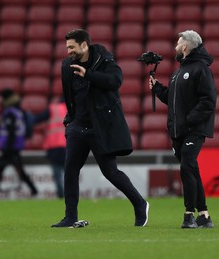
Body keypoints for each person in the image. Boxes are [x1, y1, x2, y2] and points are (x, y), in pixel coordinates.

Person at [51, 29, 149, 227]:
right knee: (70, 170)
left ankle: (140, 204)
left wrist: (88, 74)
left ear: (84, 45)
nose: (68, 51)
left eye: (72, 47)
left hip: (99, 127)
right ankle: (70, 216)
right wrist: (70, 121)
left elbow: (115, 81)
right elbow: (70, 96)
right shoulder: (66, 66)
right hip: (77, 126)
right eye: (67, 47)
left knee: (110, 172)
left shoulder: (104, 60)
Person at [149, 30, 216, 228]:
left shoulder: (200, 69)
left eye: (178, 43)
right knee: (192, 170)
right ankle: (204, 215)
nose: (176, 47)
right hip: (178, 131)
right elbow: (173, 99)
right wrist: (157, 88)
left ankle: (189, 214)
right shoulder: (179, 72)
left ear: (185, 47)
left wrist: (189, 120)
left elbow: (208, 100)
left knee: (187, 166)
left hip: (193, 129)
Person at [0, 89, 38, 199]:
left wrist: (8, 146)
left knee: (1, 169)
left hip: (10, 147)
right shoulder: (17, 111)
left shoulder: (9, 113)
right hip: (14, 146)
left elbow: (11, 131)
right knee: (17, 170)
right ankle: (34, 191)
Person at [34, 97, 67, 199]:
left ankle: (61, 195)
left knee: (57, 173)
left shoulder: (53, 108)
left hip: (54, 146)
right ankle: (71, 194)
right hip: (68, 145)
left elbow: (37, 119)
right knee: (70, 173)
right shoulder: (72, 108)